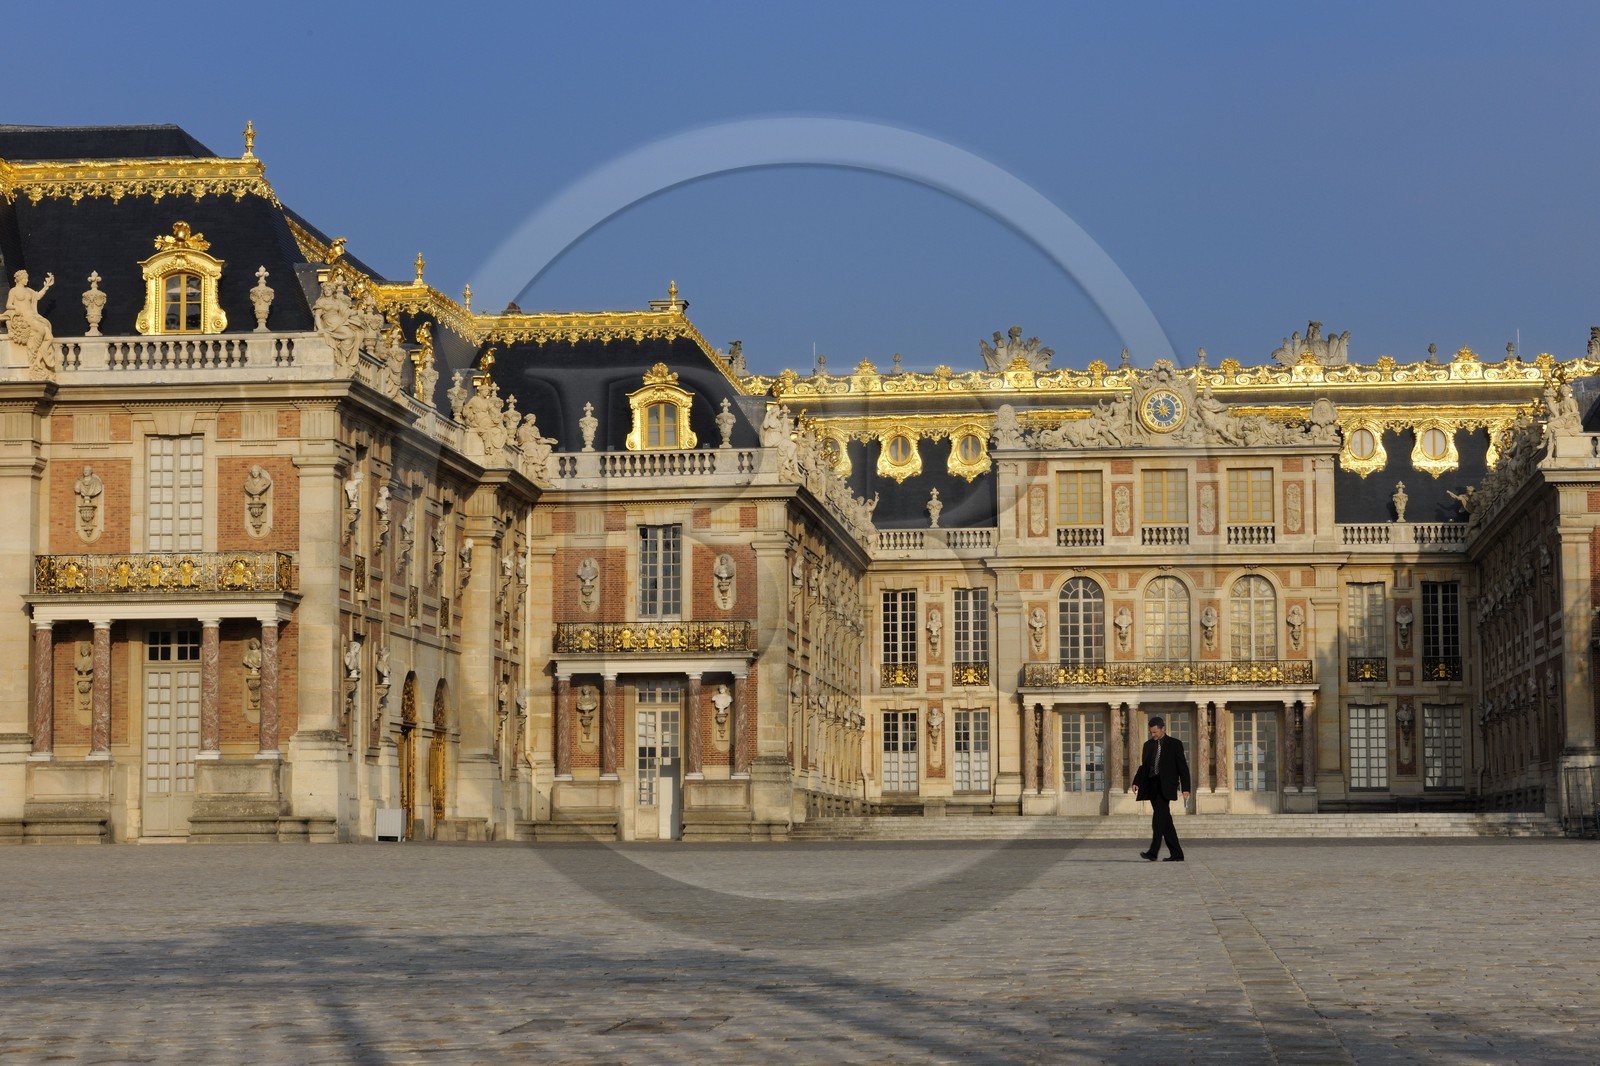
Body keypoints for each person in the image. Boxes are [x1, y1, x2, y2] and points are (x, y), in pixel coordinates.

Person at [1132, 715, 1191, 862]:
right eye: (1151, 732)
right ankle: (1177, 854)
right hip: (1152, 786)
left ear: (1162, 729)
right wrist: (1136, 781)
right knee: (1165, 821)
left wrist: (1186, 788)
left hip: (1166, 786)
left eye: (1155, 732)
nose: (1153, 735)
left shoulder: (1175, 744)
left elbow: (1182, 767)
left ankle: (1153, 852)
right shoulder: (1147, 745)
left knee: (1158, 819)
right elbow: (1144, 767)